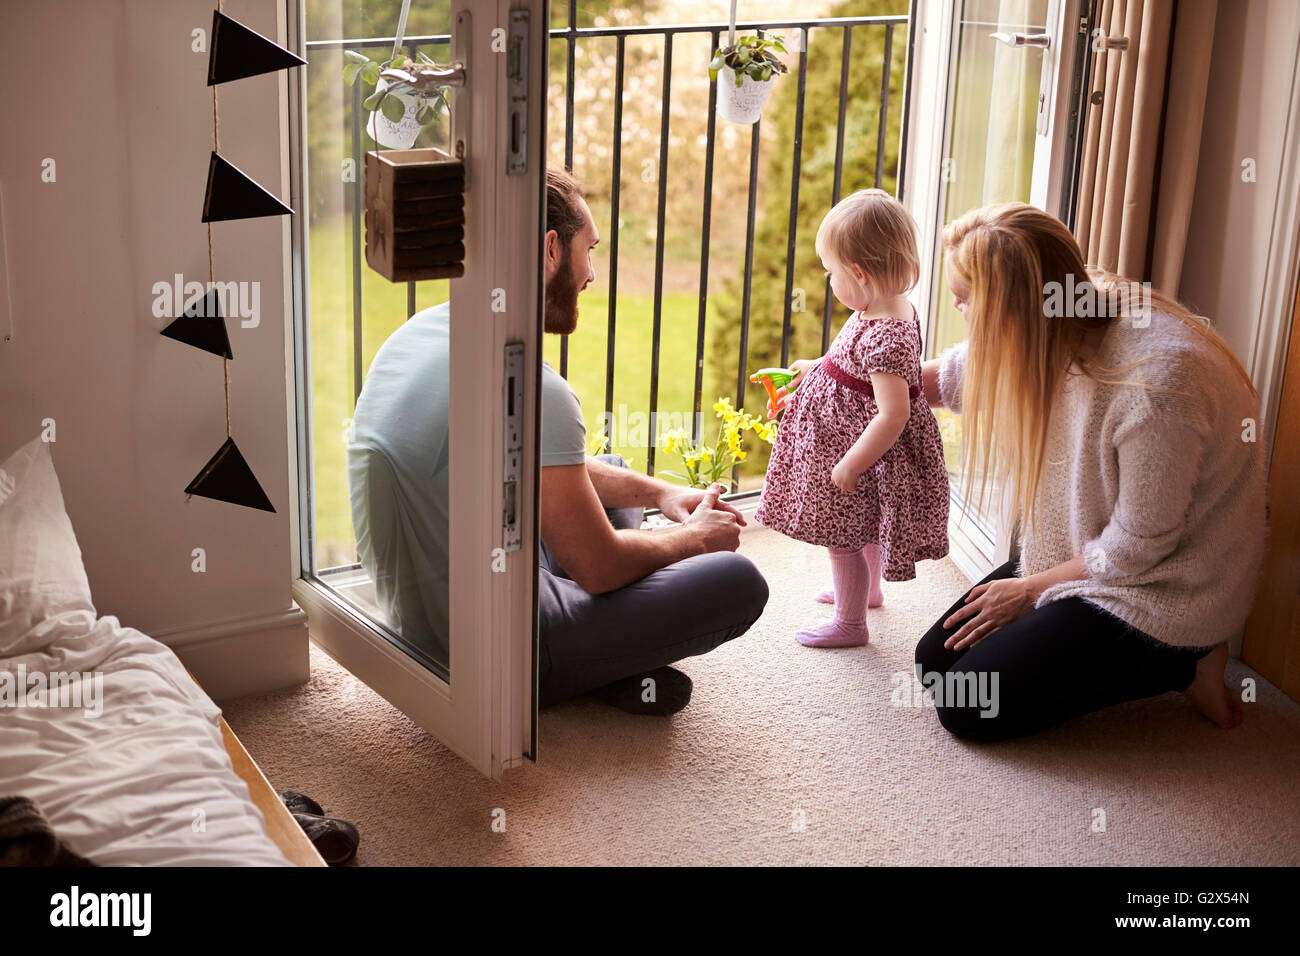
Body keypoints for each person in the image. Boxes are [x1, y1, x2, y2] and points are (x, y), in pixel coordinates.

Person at [348, 167, 768, 716]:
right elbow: (600, 567)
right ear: (550, 249)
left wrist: (662, 494)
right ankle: (591, 668)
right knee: (737, 581)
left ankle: (607, 665)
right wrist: (695, 537)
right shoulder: (536, 389)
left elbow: (530, 465)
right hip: (493, 653)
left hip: (420, 618)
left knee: (614, 476)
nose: (592, 273)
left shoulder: (424, 332)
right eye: (588, 251)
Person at [913, 201, 1266, 740]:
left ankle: (1188, 660)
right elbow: (964, 372)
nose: (957, 307)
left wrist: (1029, 590)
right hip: (1081, 552)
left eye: (965, 299)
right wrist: (844, 383)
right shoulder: (1068, 310)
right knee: (933, 666)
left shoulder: (1159, 389)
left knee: (967, 707)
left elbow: (1135, 552)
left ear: (1016, 311)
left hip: (1160, 590)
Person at [756, 189, 950, 648]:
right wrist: (817, 369)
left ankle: (850, 623)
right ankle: (869, 591)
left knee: (842, 535)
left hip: (861, 451)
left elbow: (894, 413)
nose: (828, 281)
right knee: (864, 525)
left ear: (859, 274)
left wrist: (851, 465)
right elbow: (851, 364)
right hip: (850, 439)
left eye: (831, 273)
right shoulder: (879, 308)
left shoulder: (888, 335)